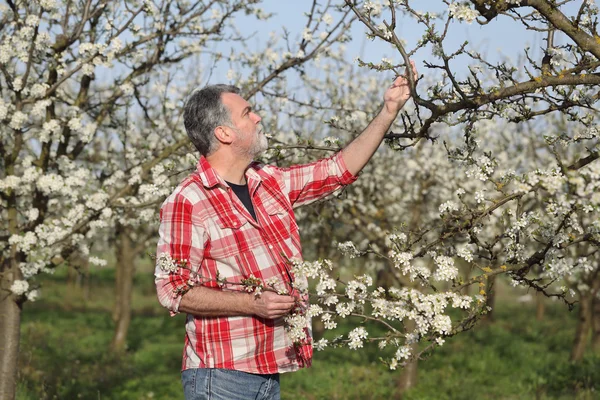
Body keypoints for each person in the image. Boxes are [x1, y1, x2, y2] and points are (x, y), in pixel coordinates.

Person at [155, 61, 417, 400]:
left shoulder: (269, 182)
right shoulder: (188, 201)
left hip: (269, 371)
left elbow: (337, 170)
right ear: (224, 133)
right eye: (247, 113)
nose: (258, 117)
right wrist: (252, 304)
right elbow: (172, 290)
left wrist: (388, 111)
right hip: (220, 374)